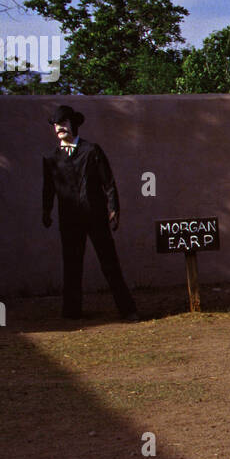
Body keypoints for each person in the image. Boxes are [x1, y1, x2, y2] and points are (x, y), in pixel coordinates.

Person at [41, 104, 140, 321]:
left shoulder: (91, 151)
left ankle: (127, 309)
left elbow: (108, 182)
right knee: (72, 264)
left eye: (64, 122)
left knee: (109, 262)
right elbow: (48, 188)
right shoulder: (51, 158)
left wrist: (113, 208)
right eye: (57, 124)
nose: (60, 127)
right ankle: (71, 311)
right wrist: (46, 211)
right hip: (68, 218)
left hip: (95, 216)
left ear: (74, 124)